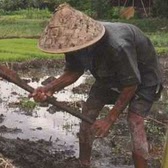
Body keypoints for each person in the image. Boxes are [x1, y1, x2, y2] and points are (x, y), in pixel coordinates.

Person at [29, 3, 163, 168]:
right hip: (107, 76)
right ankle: (84, 163)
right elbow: (73, 72)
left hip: (143, 78)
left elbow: (131, 84)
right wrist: (49, 88)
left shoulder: (117, 45)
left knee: (135, 120)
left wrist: (109, 119)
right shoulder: (72, 44)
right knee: (88, 111)